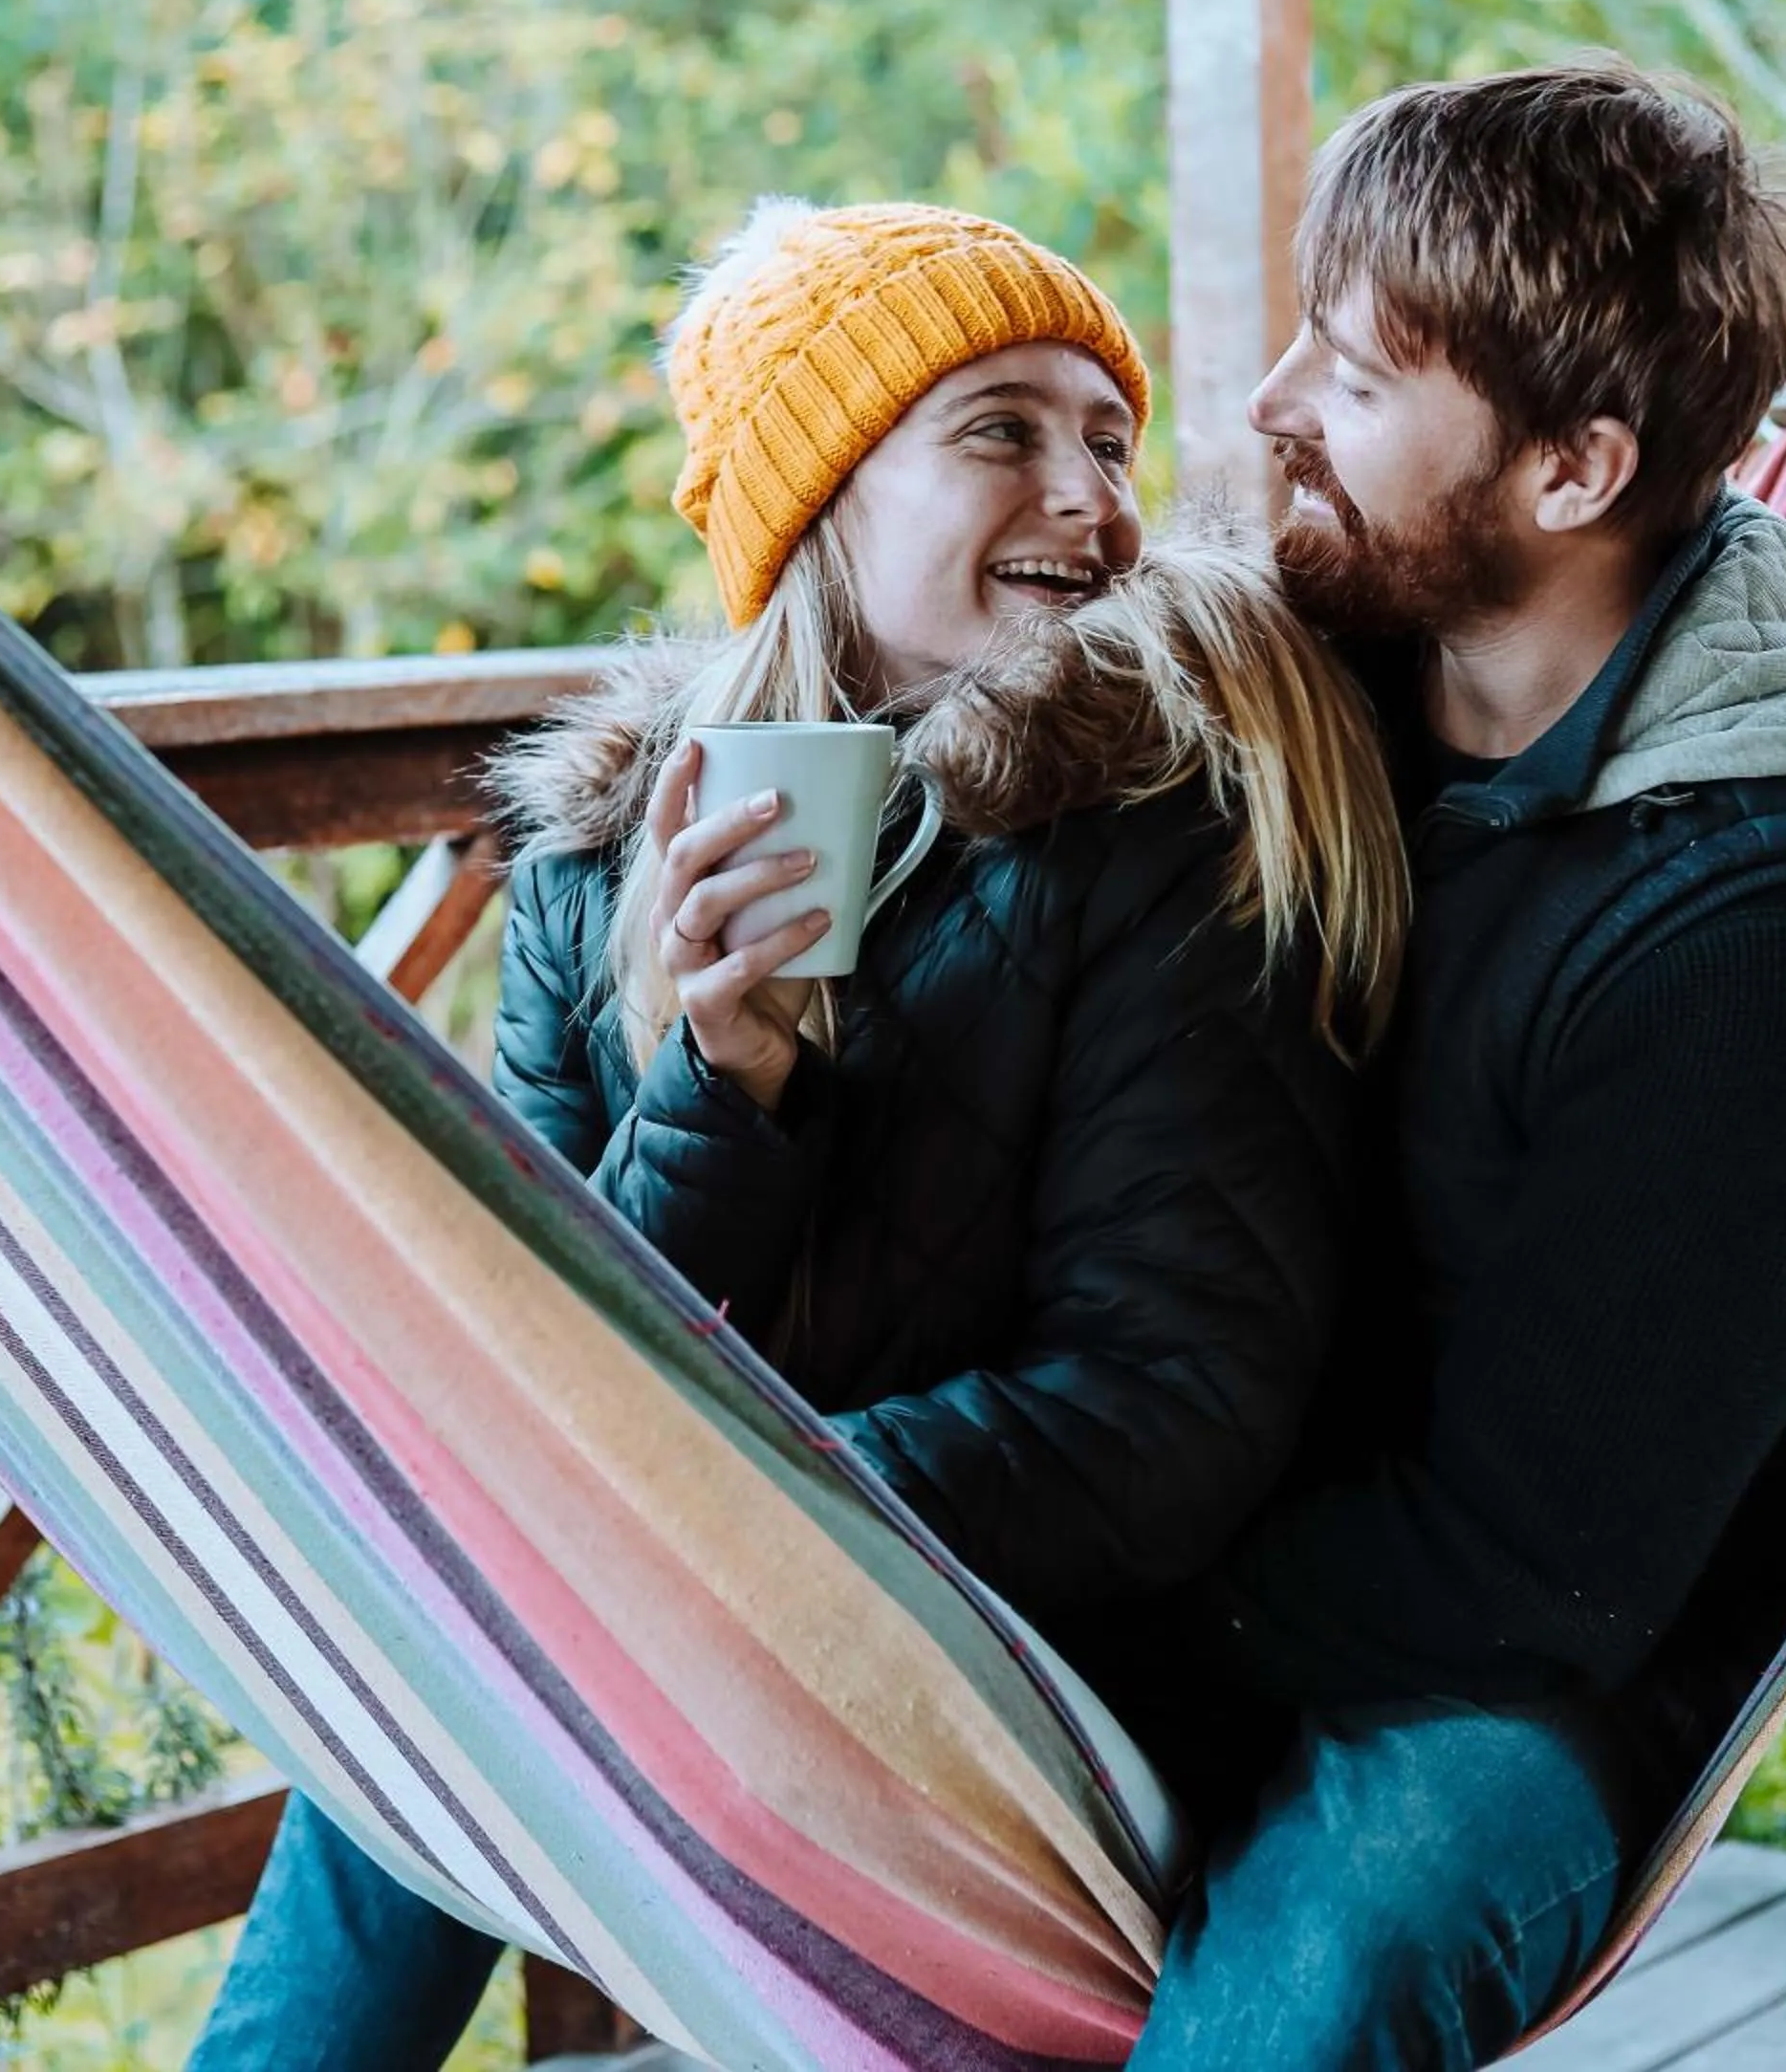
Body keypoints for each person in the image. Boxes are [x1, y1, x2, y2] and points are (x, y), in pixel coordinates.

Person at [188, 196, 1408, 2072]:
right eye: (999, 431)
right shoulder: (601, 861)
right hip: (683, 1639)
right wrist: (719, 1086)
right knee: (432, 1659)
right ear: (819, 496)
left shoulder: (1161, 830)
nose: (1089, 500)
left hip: (1034, 1687)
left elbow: (1172, 1407)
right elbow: (551, 1360)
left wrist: (737, 1533)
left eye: (1107, 440)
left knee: (481, 1626)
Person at [1121, 61, 1786, 2071]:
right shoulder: (1321, 691)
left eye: (1351, 378)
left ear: (1573, 473)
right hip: (1206, 1501)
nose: (1265, 408)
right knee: (528, 1644)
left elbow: (1535, 1574)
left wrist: (1094, 1579)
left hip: (1527, 1668)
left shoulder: (1767, 938)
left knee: (1357, 1920)